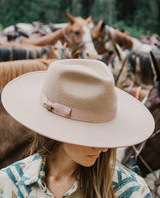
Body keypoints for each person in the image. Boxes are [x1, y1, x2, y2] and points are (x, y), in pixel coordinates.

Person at [0, 59, 154, 198]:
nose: (105, 147)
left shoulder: (132, 191)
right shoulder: (7, 183)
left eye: (106, 133)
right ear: (59, 128)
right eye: (91, 134)